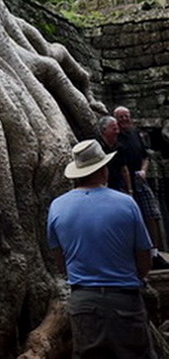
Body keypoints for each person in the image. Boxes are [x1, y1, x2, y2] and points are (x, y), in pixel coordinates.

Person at [47, 139, 156, 358]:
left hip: (83, 302)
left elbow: (60, 262)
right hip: (124, 299)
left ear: (77, 173)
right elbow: (145, 259)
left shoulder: (57, 206)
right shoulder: (126, 203)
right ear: (104, 169)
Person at [114, 105, 168, 269]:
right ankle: (133, 255)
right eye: (121, 117)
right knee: (129, 219)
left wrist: (143, 171)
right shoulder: (115, 138)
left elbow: (145, 157)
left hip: (139, 180)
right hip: (122, 184)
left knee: (152, 214)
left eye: (126, 116)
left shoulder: (135, 134)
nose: (124, 119)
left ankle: (154, 252)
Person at [97, 115, 132, 194]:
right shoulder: (97, 147)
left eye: (117, 129)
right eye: (114, 129)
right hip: (102, 188)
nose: (117, 132)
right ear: (104, 130)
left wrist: (129, 190)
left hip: (118, 186)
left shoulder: (119, 147)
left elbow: (124, 169)